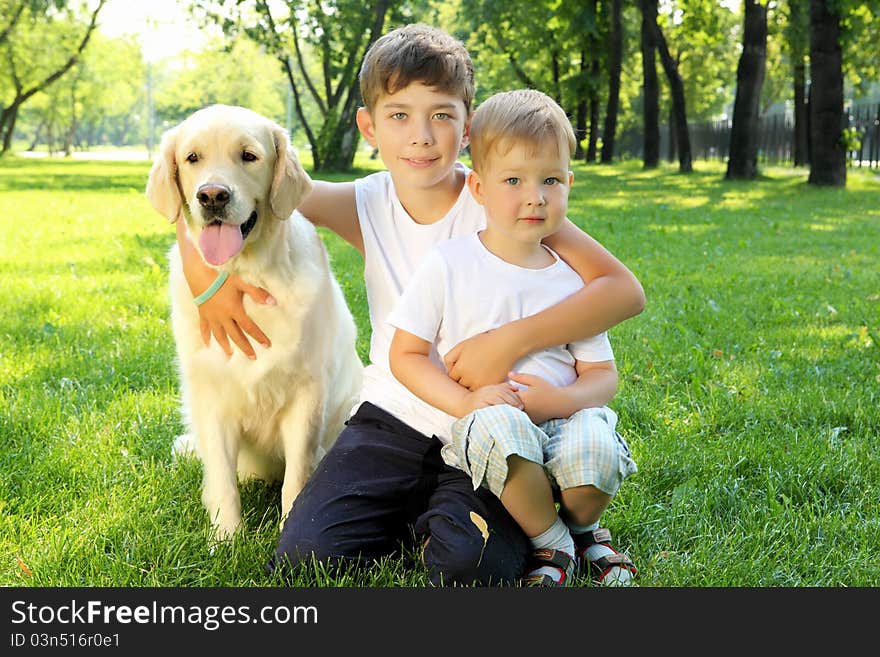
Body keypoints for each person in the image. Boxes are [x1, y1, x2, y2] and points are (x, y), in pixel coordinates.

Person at [175, 24, 645, 586]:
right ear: (369, 127)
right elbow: (239, 189)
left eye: (441, 115)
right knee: (302, 558)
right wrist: (207, 278)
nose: (421, 135)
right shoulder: (364, 202)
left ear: (467, 127)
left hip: (491, 424)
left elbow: (622, 290)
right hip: (393, 418)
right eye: (398, 115)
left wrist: (513, 340)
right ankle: (419, 510)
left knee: (471, 568)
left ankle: (504, 520)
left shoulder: (507, 198)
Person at [388, 89, 639, 587]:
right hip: (492, 427)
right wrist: (467, 399)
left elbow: (602, 375)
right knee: (499, 428)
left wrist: (561, 400)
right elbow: (407, 356)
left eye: (550, 180)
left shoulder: (572, 282)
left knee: (598, 448)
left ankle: (585, 527)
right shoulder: (449, 266)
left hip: (562, 420)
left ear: (568, 183)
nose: (535, 196)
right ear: (478, 188)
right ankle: (554, 545)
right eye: (513, 180)